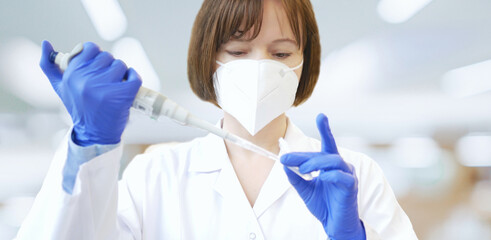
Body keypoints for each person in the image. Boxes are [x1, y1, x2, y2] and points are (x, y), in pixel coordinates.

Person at [17, 0, 418, 239]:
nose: (260, 67)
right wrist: (91, 142)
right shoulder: (155, 176)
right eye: (239, 51)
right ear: (209, 59)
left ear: (304, 62)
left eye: (280, 54)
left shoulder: (355, 178)